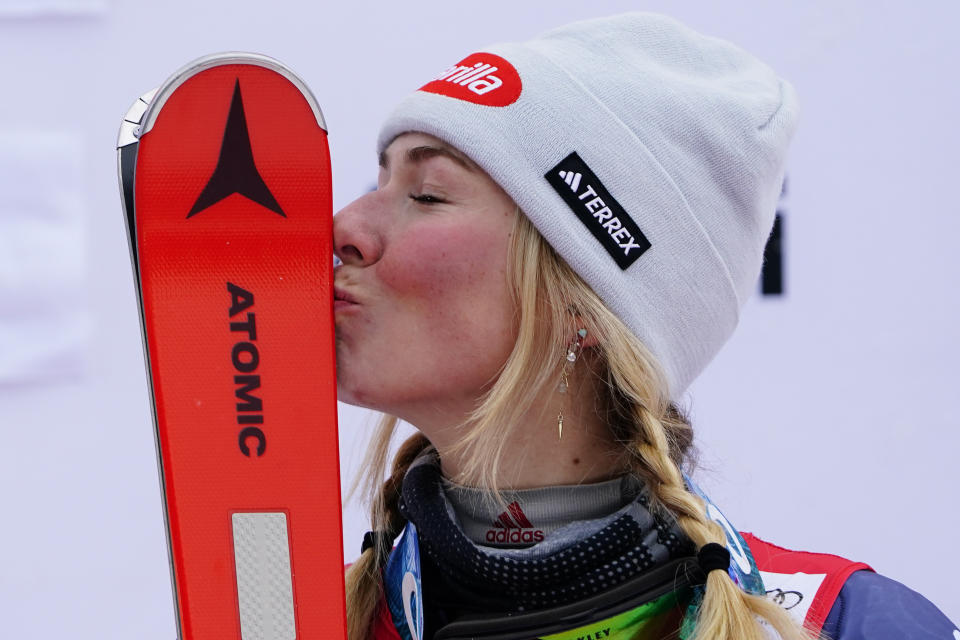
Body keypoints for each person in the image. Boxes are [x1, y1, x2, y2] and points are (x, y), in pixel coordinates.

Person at [333, 12, 957, 640]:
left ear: (580, 303)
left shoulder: (851, 627)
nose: (344, 227)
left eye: (428, 194)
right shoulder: (289, 617)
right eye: (380, 179)